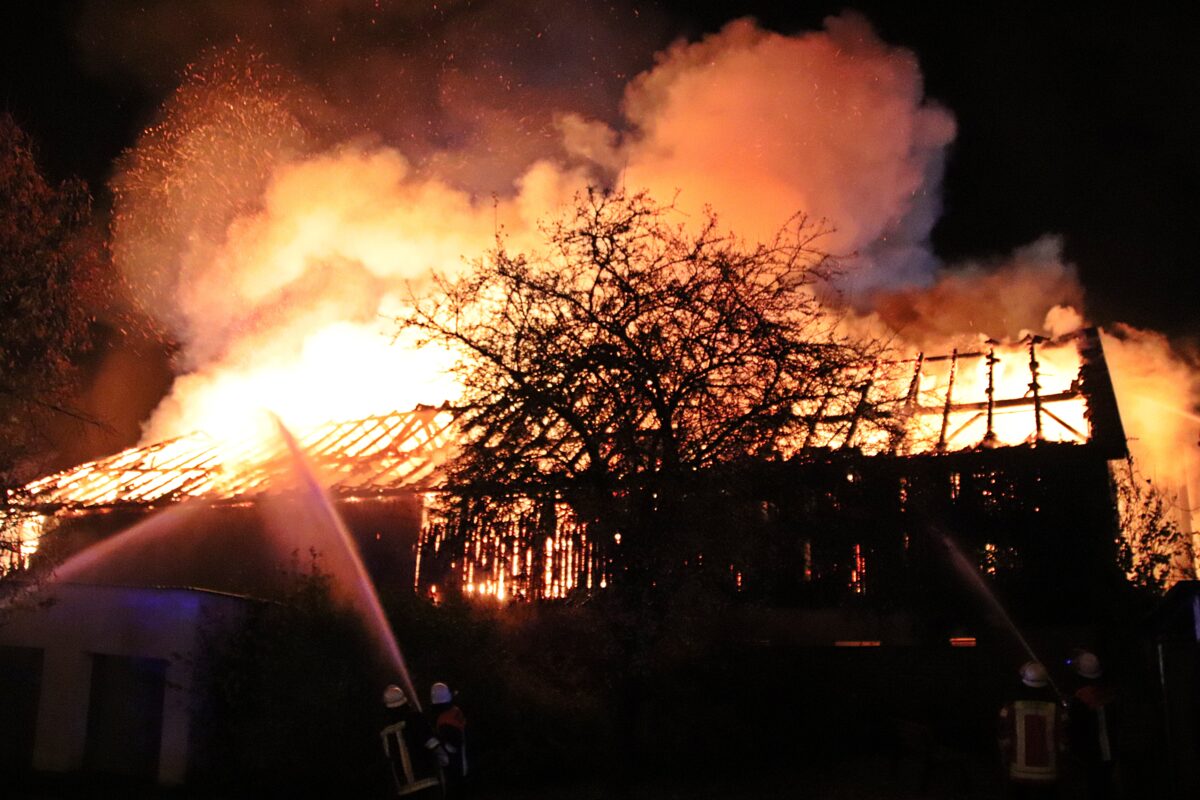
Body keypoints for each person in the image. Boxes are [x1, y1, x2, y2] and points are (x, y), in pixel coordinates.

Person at [998, 661, 1068, 798]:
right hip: (1049, 774)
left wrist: (1005, 760)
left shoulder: (1010, 709)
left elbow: (1003, 738)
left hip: (1018, 774)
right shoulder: (1058, 711)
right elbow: (1064, 741)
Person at [1065, 650, 1118, 799]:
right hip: (1111, 752)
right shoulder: (1109, 694)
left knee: (1093, 789)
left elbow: (1076, 728)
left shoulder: (1080, 698)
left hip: (1090, 754)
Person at [380, 684, 443, 796]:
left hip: (404, 789)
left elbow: (388, 757)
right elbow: (432, 743)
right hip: (427, 781)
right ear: (405, 702)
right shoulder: (416, 719)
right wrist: (444, 758)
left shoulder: (385, 732)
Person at [429, 681, 467, 798]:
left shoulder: (444, 720)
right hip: (465, 762)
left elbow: (451, 746)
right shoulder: (455, 711)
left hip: (455, 768)